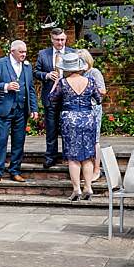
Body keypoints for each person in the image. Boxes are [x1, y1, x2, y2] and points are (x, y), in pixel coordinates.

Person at [50, 51, 103, 201]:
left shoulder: (63, 83)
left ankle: (76, 189)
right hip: (87, 118)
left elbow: (52, 98)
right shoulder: (91, 81)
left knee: (73, 158)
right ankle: (88, 187)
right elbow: (98, 99)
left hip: (70, 120)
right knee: (87, 157)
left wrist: (55, 84)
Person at [35, 25, 85, 170]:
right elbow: (36, 72)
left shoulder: (72, 52)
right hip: (50, 96)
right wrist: (46, 75)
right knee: (51, 129)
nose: (60, 43)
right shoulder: (43, 54)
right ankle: (50, 157)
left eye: (63, 39)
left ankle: (68, 156)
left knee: (68, 129)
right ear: (52, 39)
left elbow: (80, 72)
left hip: (68, 97)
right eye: (57, 40)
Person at [0, 38, 35, 185]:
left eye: (25, 52)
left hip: (21, 109)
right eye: (21, 52)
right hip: (3, 108)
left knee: (19, 141)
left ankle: (15, 170)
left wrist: (34, 108)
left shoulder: (27, 67)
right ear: (12, 52)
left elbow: (30, 88)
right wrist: (6, 86)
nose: (24, 54)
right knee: (1, 140)